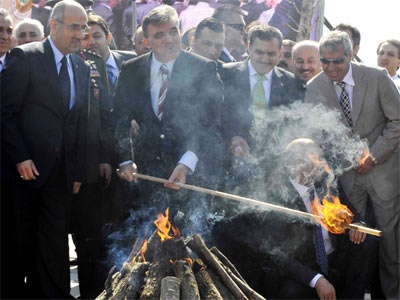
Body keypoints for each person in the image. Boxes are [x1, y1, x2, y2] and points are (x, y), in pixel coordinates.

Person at [1, 0, 91, 298]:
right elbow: (5, 112)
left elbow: (78, 123)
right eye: (74, 27)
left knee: (54, 248)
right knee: (18, 247)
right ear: (54, 25)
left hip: (60, 176)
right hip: (23, 175)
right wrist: (20, 157)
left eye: (84, 27)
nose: (81, 34)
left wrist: (76, 170)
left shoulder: (80, 65)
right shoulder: (25, 57)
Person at [212, 138, 379, 299]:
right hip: (303, 268)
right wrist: (316, 279)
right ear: (299, 164)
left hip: (334, 258)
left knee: (368, 241)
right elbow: (277, 254)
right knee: (290, 291)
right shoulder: (278, 196)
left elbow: (351, 211)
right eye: (317, 158)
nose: (324, 163)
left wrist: (358, 224)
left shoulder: (327, 182)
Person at [304, 30, 400, 300]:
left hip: (384, 173)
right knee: (352, 240)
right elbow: (317, 136)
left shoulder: (377, 77)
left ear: (351, 55)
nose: (331, 68)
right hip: (346, 177)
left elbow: (397, 121)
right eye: (325, 61)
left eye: (338, 61)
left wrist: (375, 156)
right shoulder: (315, 87)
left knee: (390, 244)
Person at [112, 5, 223, 222]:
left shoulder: (204, 69)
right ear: (147, 41)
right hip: (145, 175)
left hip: (189, 175)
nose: (170, 39)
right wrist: (125, 159)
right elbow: (119, 118)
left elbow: (210, 123)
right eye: (160, 35)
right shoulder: (131, 70)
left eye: (173, 31)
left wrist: (187, 162)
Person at [221, 24, 301, 168]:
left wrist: (280, 169)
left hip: (271, 169)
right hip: (227, 165)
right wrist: (231, 138)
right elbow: (214, 118)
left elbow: (293, 129)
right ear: (249, 47)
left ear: (280, 51)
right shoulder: (225, 74)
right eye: (259, 52)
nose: (264, 59)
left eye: (271, 54)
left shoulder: (292, 84)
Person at [82, 13, 136, 100]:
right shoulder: (79, 69)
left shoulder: (132, 60)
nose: (91, 42)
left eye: (96, 36)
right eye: (85, 38)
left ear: (108, 38)